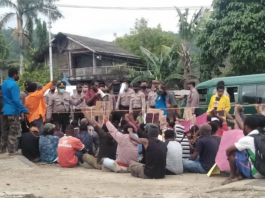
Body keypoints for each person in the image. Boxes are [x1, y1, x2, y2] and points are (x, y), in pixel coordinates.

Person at [222, 116, 264, 185]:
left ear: (247, 127)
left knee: (233, 153)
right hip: (263, 171)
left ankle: (232, 176)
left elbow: (228, 150)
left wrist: (229, 158)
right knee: (245, 153)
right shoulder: (262, 136)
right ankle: (239, 174)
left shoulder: (247, 139)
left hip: (256, 173)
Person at [0, 68, 29, 155]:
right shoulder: (14, 84)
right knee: (13, 131)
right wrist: (25, 110)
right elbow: (16, 100)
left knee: (4, 130)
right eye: (18, 74)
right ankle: (11, 150)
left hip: (5, 110)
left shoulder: (4, 84)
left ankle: (2, 149)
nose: (18, 76)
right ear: (15, 74)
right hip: (13, 111)